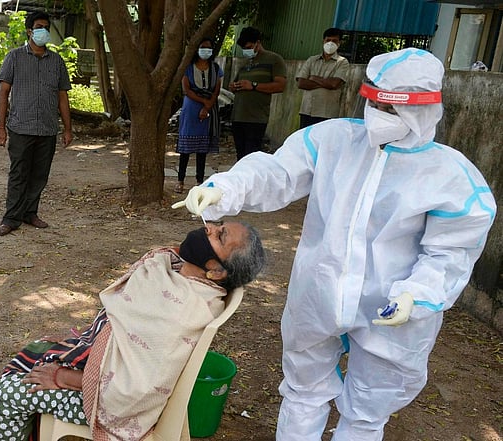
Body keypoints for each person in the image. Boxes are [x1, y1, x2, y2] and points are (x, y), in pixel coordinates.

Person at [174, 48, 496, 440]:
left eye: (391, 109)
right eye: (373, 103)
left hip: (390, 309)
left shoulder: (452, 178)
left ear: (423, 110)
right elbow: (277, 171)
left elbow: (449, 252)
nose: (378, 115)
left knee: (366, 412)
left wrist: (418, 294)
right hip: (318, 294)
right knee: (302, 393)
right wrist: (224, 187)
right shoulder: (333, 139)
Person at [0, 222, 266, 440]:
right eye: (219, 225)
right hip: (105, 363)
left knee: (5, 394)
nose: (209, 228)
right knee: (37, 349)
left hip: (109, 401)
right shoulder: (182, 277)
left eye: (219, 236)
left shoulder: (183, 311)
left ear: (216, 271)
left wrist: (64, 376)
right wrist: (85, 342)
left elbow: (138, 384)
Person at [0, 11, 72, 236]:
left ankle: (30, 212)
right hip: (20, 127)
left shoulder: (56, 61)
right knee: (18, 173)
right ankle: (10, 218)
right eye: (39, 27)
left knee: (40, 174)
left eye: (46, 27)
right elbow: (3, 93)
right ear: (29, 30)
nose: (43, 31)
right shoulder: (14, 57)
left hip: (47, 128)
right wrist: (0, 127)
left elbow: (62, 96)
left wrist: (68, 129)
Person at [227, 27, 286, 160]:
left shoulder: (274, 59)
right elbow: (237, 83)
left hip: (255, 118)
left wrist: (253, 86)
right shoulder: (246, 63)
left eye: (248, 47)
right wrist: (234, 87)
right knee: (240, 156)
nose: (246, 50)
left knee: (251, 157)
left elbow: (280, 86)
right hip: (238, 116)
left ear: (257, 43)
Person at [175, 37, 222, 194]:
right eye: (203, 47)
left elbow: (216, 89)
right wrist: (203, 102)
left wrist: (208, 106)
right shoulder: (188, 67)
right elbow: (187, 90)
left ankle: (199, 181)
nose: (206, 51)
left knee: (202, 150)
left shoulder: (215, 68)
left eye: (209, 48)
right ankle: (180, 181)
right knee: (186, 149)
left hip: (209, 107)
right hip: (191, 108)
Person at [296, 28, 349, 129]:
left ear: (339, 43)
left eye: (334, 41)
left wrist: (313, 78)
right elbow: (301, 83)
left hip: (327, 113)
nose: (330, 43)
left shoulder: (342, 62)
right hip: (307, 110)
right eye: (328, 40)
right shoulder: (312, 60)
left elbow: (334, 84)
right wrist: (326, 82)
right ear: (323, 41)